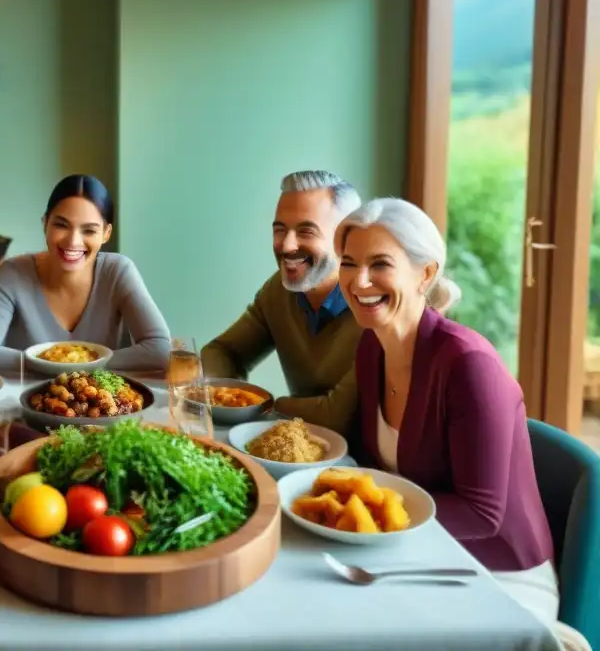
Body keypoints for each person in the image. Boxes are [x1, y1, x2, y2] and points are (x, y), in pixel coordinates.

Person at [337, 197, 589, 651]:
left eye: (380, 264)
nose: (359, 280)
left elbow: (482, 514)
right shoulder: (371, 347)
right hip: (423, 551)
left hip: (500, 575)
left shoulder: (468, 365)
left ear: (426, 274)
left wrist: (368, 510)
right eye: (349, 263)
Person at [200, 170, 363, 435]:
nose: (287, 246)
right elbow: (222, 351)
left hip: (364, 468)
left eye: (306, 231)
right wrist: (227, 397)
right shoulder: (279, 290)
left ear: (347, 239)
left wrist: (263, 406)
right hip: (298, 450)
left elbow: (337, 416)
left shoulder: (373, 307)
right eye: (280, 230)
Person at [0, 174, 171, 373]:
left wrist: (78, 363)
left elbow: (160, 350)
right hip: (23, 402)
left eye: (89, 230)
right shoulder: (12, 274)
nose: (73, 241)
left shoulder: (118, 271)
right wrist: (53, 362)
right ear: (45, 223)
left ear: (106, 233)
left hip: (106, 404)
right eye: (61, 225)